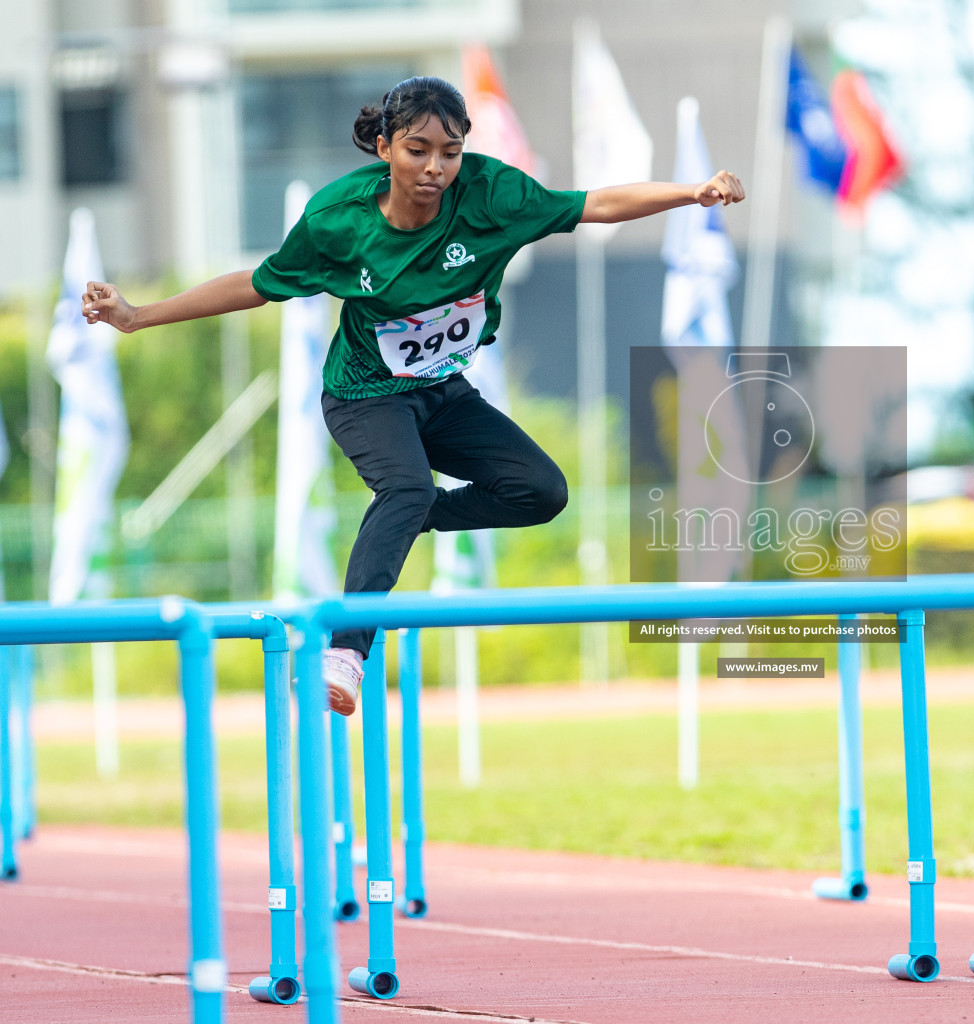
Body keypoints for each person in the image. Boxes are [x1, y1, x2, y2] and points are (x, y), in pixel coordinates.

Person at [81, 75, 745, 716]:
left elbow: (595, 203)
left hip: (445, 392)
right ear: (385, 148)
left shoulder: (492, 196)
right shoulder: (339, 221)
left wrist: (693, 194)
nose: (436, 169)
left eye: (450, 153)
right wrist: (139, 314)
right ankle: (345, 654)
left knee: (541, 491)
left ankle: (408, 520)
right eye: (418, 150)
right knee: (403, 487)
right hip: (365, 396)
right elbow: (256, 284)